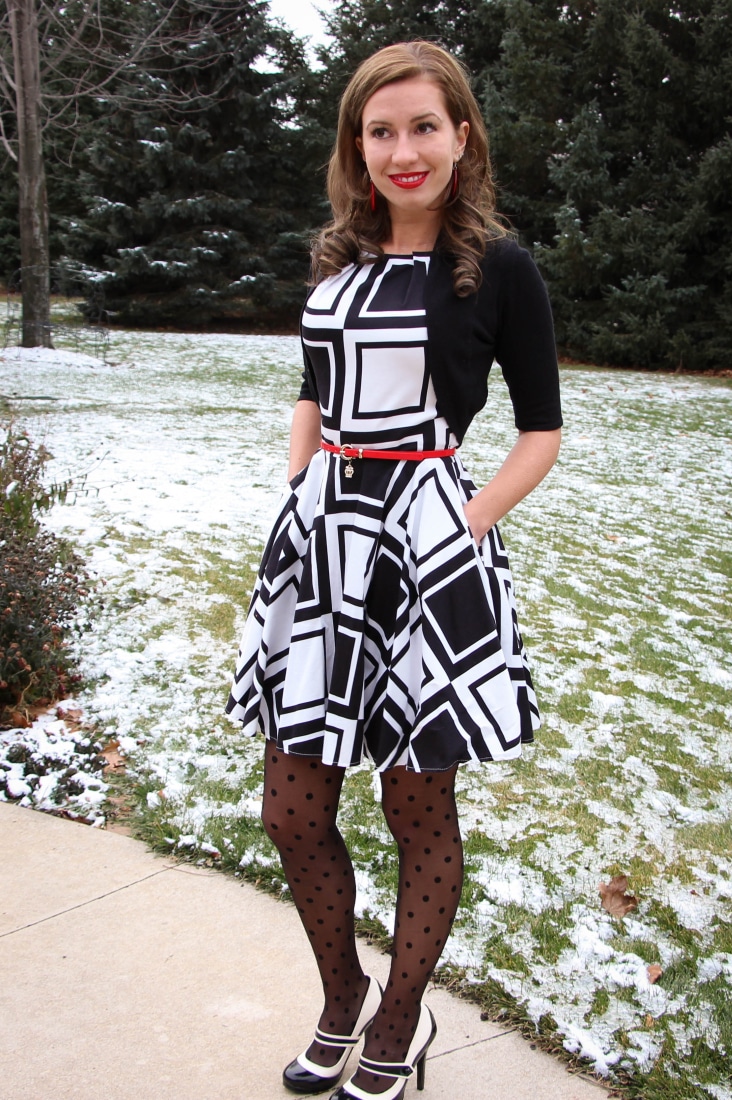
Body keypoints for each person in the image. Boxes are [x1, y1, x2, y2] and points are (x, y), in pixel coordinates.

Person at [226, 40, 562, 1100]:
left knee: (417, 805)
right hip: (326, 541)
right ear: (355, 145)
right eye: (381, 131)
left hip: (429, 544)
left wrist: (465, 521)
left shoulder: (500, 267)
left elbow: (542, 429)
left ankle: (398, 1018)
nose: (403, 150)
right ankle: (339, 996)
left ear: (463, 136)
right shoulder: (336, 256)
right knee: (292, 807)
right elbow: (311, 387)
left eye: (424, 127)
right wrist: (301, 484)